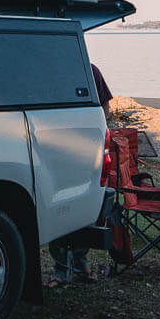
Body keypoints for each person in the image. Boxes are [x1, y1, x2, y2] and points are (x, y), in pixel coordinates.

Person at [48, 63, 114, 284]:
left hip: (81, 151)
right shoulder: (61, 71)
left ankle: (76, 265)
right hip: (65, 149)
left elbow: (105, 109)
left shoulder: (89, 71)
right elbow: (106, 110)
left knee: (79, 207)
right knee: (63, 207)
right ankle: (67, 267)